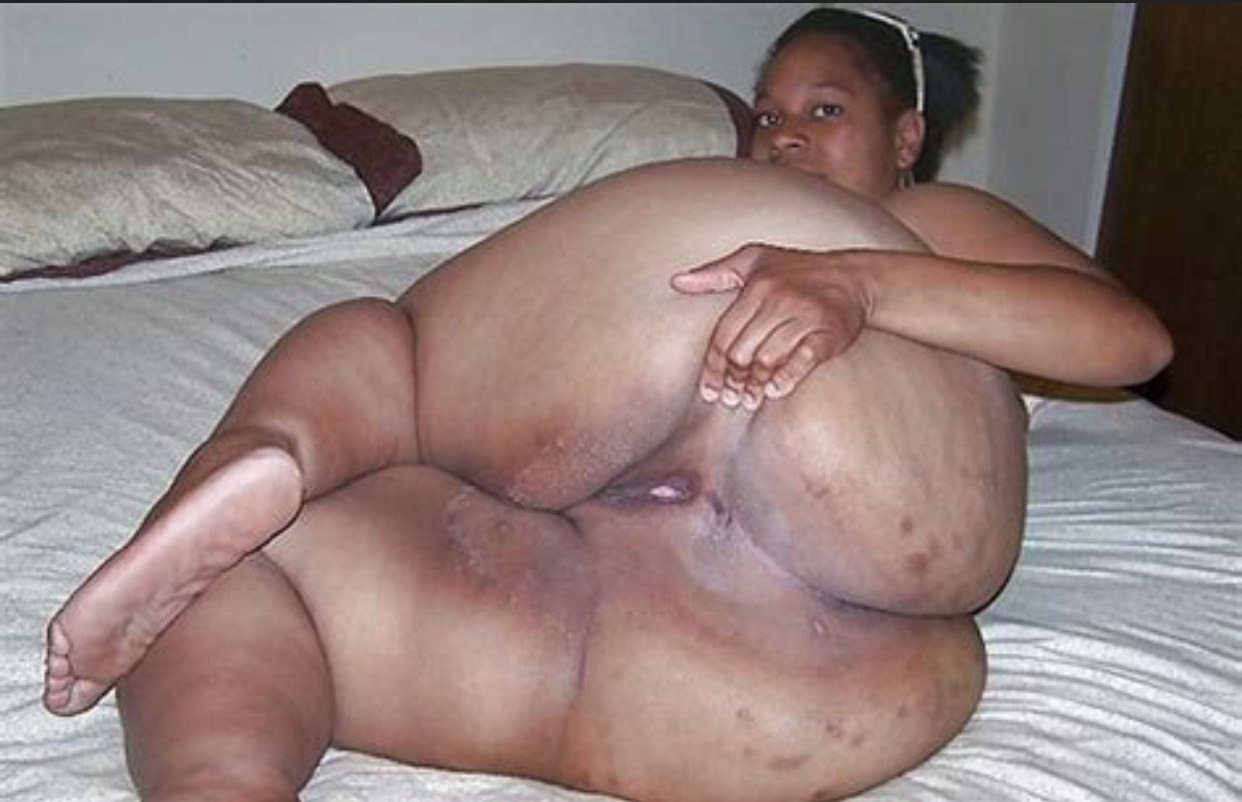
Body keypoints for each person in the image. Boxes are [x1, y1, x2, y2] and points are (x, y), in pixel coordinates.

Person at [42, 7, 1171, 802]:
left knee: (389, 342)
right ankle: (220, 774)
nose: (782, 134)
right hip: (727, 664)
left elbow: (1132, 340)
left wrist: (863, 282)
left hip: (855, 503)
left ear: (907, 138)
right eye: (765, 114)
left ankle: (284, 438)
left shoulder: (937, 222)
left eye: (824, 110)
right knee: (242, 574)